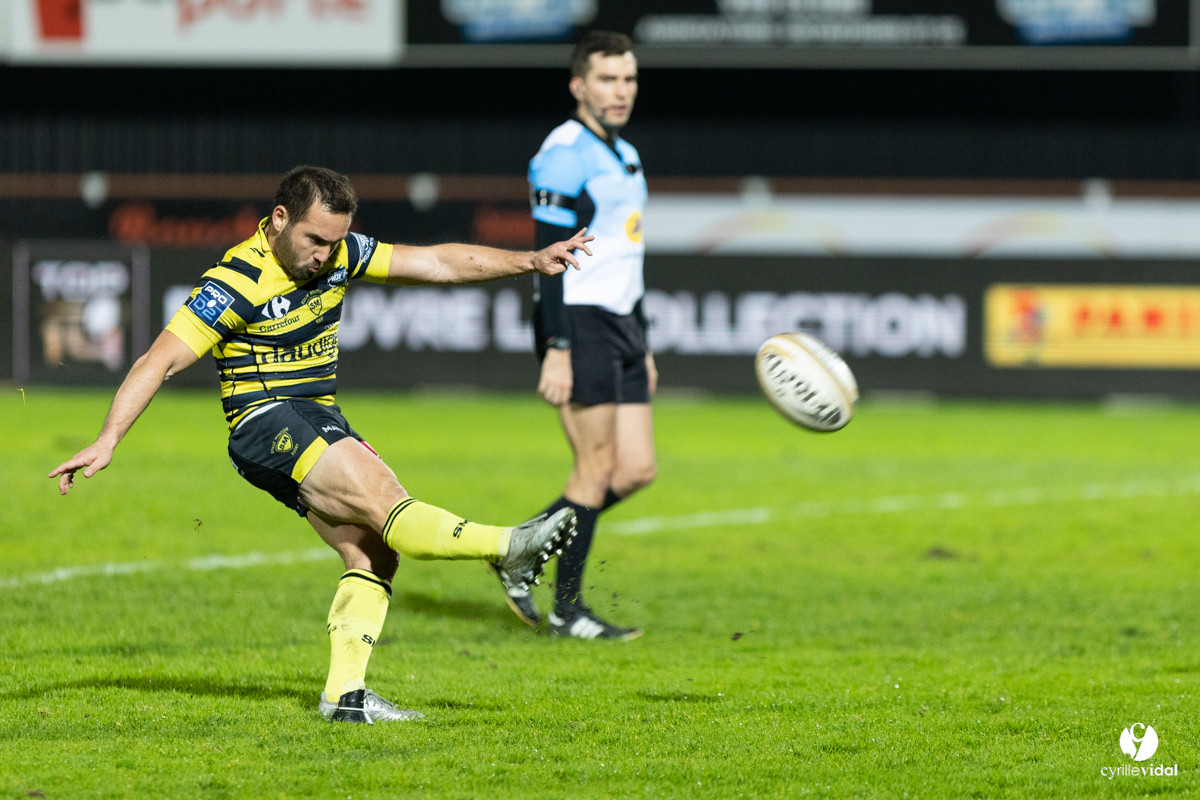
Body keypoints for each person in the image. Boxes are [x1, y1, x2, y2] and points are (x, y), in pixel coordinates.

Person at [49, 165, 591, 723]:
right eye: (315, 240)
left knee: (373, 551)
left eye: (335, 242)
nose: (325, 255)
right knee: (385, 500)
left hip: (314, 416)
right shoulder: (235, 281)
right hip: (265, 418)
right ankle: (507, 549)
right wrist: (108, 438)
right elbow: (159, 359)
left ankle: (345, 697)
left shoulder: (341, 253)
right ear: (279, 219)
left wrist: (530, 260)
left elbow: (434, 263)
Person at [490, 31, 655, 640]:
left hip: (622, 323)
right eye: (608, 79)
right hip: (578, 322)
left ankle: (519, 546)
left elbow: (627, 254)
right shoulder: (563, 152)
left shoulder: (627, 151)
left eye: (629, 79)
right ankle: (567, 609)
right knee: (594, 467)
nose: (621, 91)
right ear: (579, 86)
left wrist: (645, 342)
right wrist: (556, 346)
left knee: (634, 469)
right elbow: (546, 260)